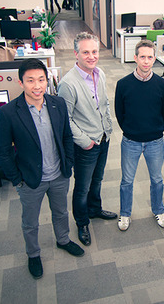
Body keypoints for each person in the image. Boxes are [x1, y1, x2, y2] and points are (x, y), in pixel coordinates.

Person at [0, 58, 84, 280]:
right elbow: (3, 152)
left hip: (59, 174)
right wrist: (17, 180)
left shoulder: (58, 104)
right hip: (30, 180)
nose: (37, 86)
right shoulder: (8, 113)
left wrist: (68, 164)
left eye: (41, 80)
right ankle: (33, 254)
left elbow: (66, 136)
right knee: (30, 222)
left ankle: (63, 240)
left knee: (61, 212)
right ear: (21, 82)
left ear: (47, 80)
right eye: (31, 81)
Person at [57, 32, 117, 247]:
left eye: (94, 51)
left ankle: (94, 209)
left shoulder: (99, 73)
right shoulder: (68, 84)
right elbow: (66, 120)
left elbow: (105, 104)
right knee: (82, 186)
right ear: (76, 54)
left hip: (104, 137)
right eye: (86, 52)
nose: (91, 56)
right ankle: (81, 221)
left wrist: (108, 128)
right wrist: (85, 141)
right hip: (86, 145)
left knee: (98, 179)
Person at [114, 40, 164, 231]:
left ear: (155, 58)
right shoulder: (123, 84)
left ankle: (158, 209)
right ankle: (125, 214)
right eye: (142, 57)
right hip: (130, 141)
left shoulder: (162, 85)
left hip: (155, 141)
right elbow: (119, 113)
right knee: (126, 181)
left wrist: (154, 129)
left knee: (157, 179)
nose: (146, 61)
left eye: (150, 57)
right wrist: (131, 130)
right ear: (135, 58)